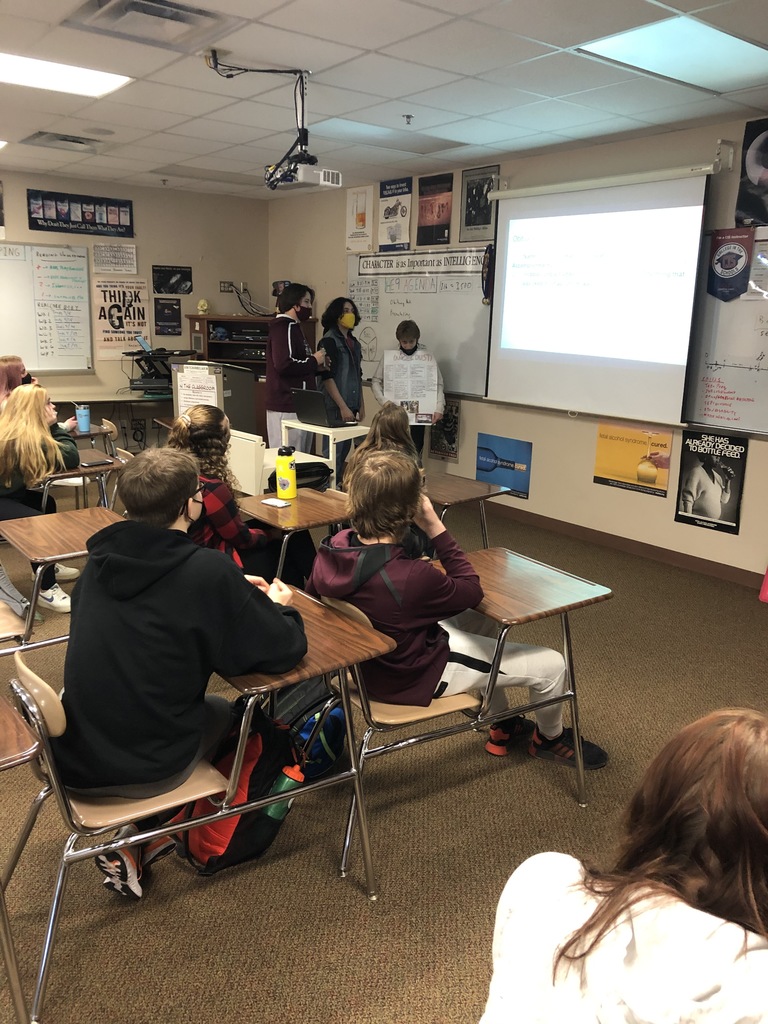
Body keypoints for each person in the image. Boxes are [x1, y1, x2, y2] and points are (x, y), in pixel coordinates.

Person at [51, 446, 308, 899]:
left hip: (74, 750)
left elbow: (163, 613)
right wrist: (275, 606)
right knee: (242, 719)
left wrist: (228, 593)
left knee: (182, 711)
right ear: (192, 504)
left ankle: (138, 840)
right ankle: (170, 829)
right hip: (145, 762)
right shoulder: (205, 571)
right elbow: (280, 649)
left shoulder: (98, 564)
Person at [306, 449, 607, 768]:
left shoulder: (334, 547)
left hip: (368, 664)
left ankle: (503, 722)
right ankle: (549, 739)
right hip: (413, 675)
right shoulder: (411, 576)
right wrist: (434, 525)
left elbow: (318, 602)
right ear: (411, 508)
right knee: (552, 665)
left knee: (478, 620)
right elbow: (470, 587)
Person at [481, 708, 768, 1023]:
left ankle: (512, 726)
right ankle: (544, 737)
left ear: (650, 806)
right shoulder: (755, 990)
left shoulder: (541, 883)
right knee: (552, 671)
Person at [167, 404, 315, 586]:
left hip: (185, 555)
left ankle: (316, 589)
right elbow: (242, 539)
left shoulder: (172, 472)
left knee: (286, 531)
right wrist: (272, 535)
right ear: (219, 443)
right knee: (291, 540)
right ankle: (314, 592)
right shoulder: (211, 487)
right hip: (215, 564)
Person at [0, 384, 81, 613]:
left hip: (6, 495)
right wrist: (55, 427)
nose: (53, 406)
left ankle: (47, 565)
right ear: (34, 411)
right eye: (48, 402)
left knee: (47, 504)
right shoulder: (23, 438)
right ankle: (46, 589)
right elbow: (70, 456)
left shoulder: (15, 431)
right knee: (38, 523)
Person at [265, 282, 326, 451]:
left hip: (300, 404)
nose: (309, 307)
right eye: (306, 302)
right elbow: (284, 364)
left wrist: (315, 366)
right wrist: (314, 360)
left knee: (302, 456)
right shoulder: (284, 327)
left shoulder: (295, 327)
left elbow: (299, 363)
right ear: (295, 304)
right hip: (287, 403)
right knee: (289, 458)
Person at [371, 320, 444, 459]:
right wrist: (385, 402)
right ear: (399, 341)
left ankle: (415, 476)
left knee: (416, 447)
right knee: (395, 448)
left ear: (417, 339)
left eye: (412, 341)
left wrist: (439, 407)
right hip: (396, 411)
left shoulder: (426, 355)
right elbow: (376, 381)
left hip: (420, 411)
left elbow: (438, 383)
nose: (408, 345)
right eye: (404, 342)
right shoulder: (390, 356)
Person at [317, 296, 364, 483]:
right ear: (336, 314)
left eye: (352, 310)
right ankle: (327, 493)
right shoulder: (328, 341)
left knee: (344, 452)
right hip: (334, 405)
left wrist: (360, 404)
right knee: (332, 455)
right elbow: (327, 377)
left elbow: (358, 375)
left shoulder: (355, 343)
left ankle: (336, 488)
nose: (349, 314)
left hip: (351, 404)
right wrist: (343, 406)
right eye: (345, 310)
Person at [679, 451, 735, 520]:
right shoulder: (696, 472)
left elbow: (724, 500)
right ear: (705, 456)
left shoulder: (718, 477)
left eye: (719, 455)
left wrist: (728, 480)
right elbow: (688, 499)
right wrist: (688, 520)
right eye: (715, 455)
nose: (718, 457)